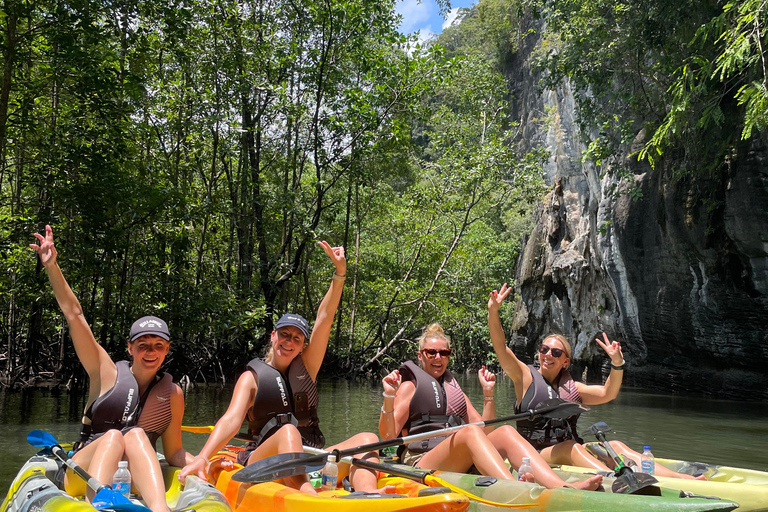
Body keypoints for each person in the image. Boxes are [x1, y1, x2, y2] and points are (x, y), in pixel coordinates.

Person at [179, 242, 386, 494]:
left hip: (309, 459)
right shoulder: (251, 378)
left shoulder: (306, 369)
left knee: (368, 440)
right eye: (284, 335)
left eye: (296, 338)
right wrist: (203, 456)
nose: (289, 341)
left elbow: (325, 317)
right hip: (264, 463)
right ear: (272, 336)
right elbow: (231, 419)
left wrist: (340, 274)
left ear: (302, 346)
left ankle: (369, 496)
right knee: (288, 430)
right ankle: (308, 496)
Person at [31, 225, 192, 512]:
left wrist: (205, 461)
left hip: (130, 476)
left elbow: (174, 452)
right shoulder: (106, 372)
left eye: (158, 345)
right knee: (117, 435)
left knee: (137, 435)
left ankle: (159, 509)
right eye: (143, 345)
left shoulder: (173, 395)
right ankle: (98, 506)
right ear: (130, 348)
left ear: (167, 350)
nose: (150, 352)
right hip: (83, 471)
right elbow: (74, 314)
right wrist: (52, 266)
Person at [488, 283, 705, 480]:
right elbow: (500, 347)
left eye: (555, 352)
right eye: (544, 349)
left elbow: (608, 393)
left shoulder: (572, 388)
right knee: (571, 448)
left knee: (616, 445)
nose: (548, 355)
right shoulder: (523, 376)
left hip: (572, 447)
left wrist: (617, 364)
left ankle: (684, 480)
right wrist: (493, 311)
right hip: (535, 453)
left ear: (565, 361)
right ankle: (617, 478)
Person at [379, 323, 602, 491]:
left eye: (444, 353)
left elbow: (487, 432)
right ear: (421, 356)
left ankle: (561, 488)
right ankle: (513, 488)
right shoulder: (409, 387)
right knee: (468, 432)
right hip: (420, 461)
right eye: (431, 353)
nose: (438, 357)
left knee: (505, 431)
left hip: (454, 458)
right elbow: (387, 435)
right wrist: (389, 396)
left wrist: (488, 394)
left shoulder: (454, 390)